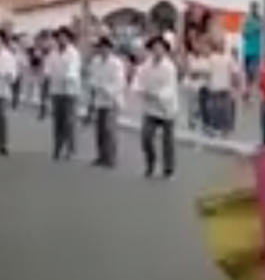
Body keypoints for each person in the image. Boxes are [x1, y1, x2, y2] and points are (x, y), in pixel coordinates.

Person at [133, 35, 179, 178]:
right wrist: (139, 90)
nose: (157, 51)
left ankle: (168, 168)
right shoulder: (145, 66)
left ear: (165, 50)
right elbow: (137, 81)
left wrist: (157, 95)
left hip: (167, 108)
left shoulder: (169, 67)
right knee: (146, 137)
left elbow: (170, 88)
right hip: (150, 108)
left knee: (168, 141)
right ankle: (151, 163)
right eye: (154, 48)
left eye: (160, 48)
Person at [88, 36, 126, 167]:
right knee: (100, 129)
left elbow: (119, 82)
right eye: (101, 47)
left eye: (106, 47)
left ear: (110, 49)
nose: (103, 50)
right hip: (99, 99)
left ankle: (111, 157)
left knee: (109, 129)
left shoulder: (116, 64)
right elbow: (92, 78)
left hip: (112, 99)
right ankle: (101, 155)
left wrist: (106, 88)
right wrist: (95, 87)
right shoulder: (95, 61)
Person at [45, 27, 82, 160]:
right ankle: (58, 146)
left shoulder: (73, 53)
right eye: (59, 37)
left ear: (68, 38)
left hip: (70, 91)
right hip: (56, 90)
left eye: (64, 37)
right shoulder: (53, 53)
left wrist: (67, 76)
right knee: (58, 120)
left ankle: (70, 149)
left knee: (69, 121)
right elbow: (48, 68)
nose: (61, 39)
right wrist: (48, 75)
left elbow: (73, 69)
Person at [205, 37, 242, 137]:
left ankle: (224, 129)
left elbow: (234, 73)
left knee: (225, 110)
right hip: (214, 87)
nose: (221, 46)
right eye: (219, 44)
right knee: (214, 109)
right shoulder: (212, 57)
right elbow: (207, 72)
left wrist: (236, 84)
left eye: (222, 44)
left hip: (225, 87)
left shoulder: (228, 58)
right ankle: (215, 128)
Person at [183, 38, 211, 131]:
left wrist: (198, 72)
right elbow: (189, 71)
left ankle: (203, 122)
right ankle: (192, 121)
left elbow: (208, 72)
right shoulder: (190, 57)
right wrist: (198, 72)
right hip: (192, 85)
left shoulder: (206, 58)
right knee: (192, 104)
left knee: (202, 104)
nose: (198, 47)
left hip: (203, 85)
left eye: (200, 45)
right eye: (195, 45)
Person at [241, 0, 262, 90]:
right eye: (253, 7)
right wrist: (253, 29)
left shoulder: (261, 20)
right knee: (248, 74)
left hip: (257, 52)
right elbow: (244, 34)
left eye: (256, 7)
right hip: (248, 51)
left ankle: (252, 90)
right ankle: (248, 90)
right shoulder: (247, 20)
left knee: (254, 72)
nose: (254, 9)